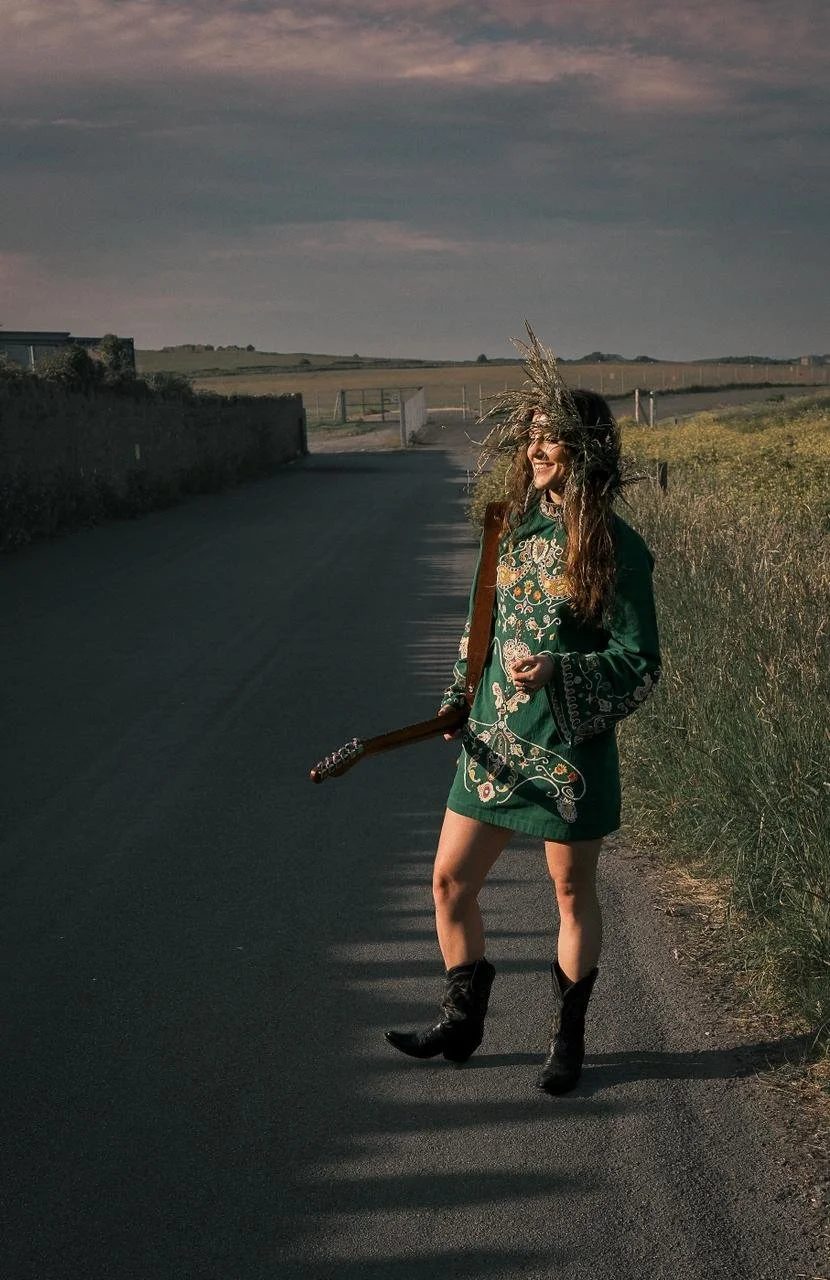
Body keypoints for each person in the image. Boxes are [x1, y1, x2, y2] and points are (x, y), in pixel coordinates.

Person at [385, 329, 661, 1095]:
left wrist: (562, 672)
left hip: (569, 745)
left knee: (571, 893)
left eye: (554, 440)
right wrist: (454, 697)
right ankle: (462, 1015)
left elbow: (642, 663)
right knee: (448, 884)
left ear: (587, 450)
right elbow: (483, 626)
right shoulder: (506, 528)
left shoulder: (615, 548)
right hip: (494, 744)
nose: (539, 452)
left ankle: (568, 1037)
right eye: (533, 438)